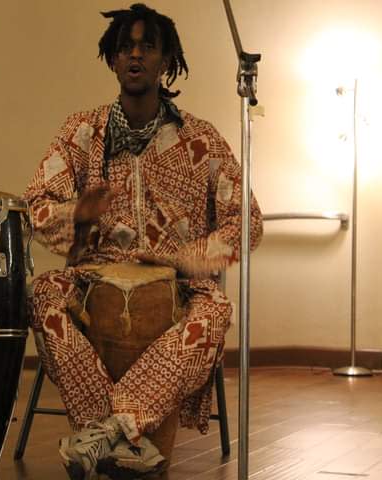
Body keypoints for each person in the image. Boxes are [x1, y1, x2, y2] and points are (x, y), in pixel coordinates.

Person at [23, 4, 263, 479]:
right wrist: (76, 214)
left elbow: (247, 221)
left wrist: (189, 258)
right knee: (42, 293)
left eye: (147, 46)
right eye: (125, 46)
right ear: (112, 60)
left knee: (216, 310)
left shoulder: (202, 142)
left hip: (177, 285)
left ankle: (106, 431)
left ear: (166, 61)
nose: (135, 55)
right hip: (91, 279)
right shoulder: (81, 134)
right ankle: (122, 438)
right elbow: (36, 207)